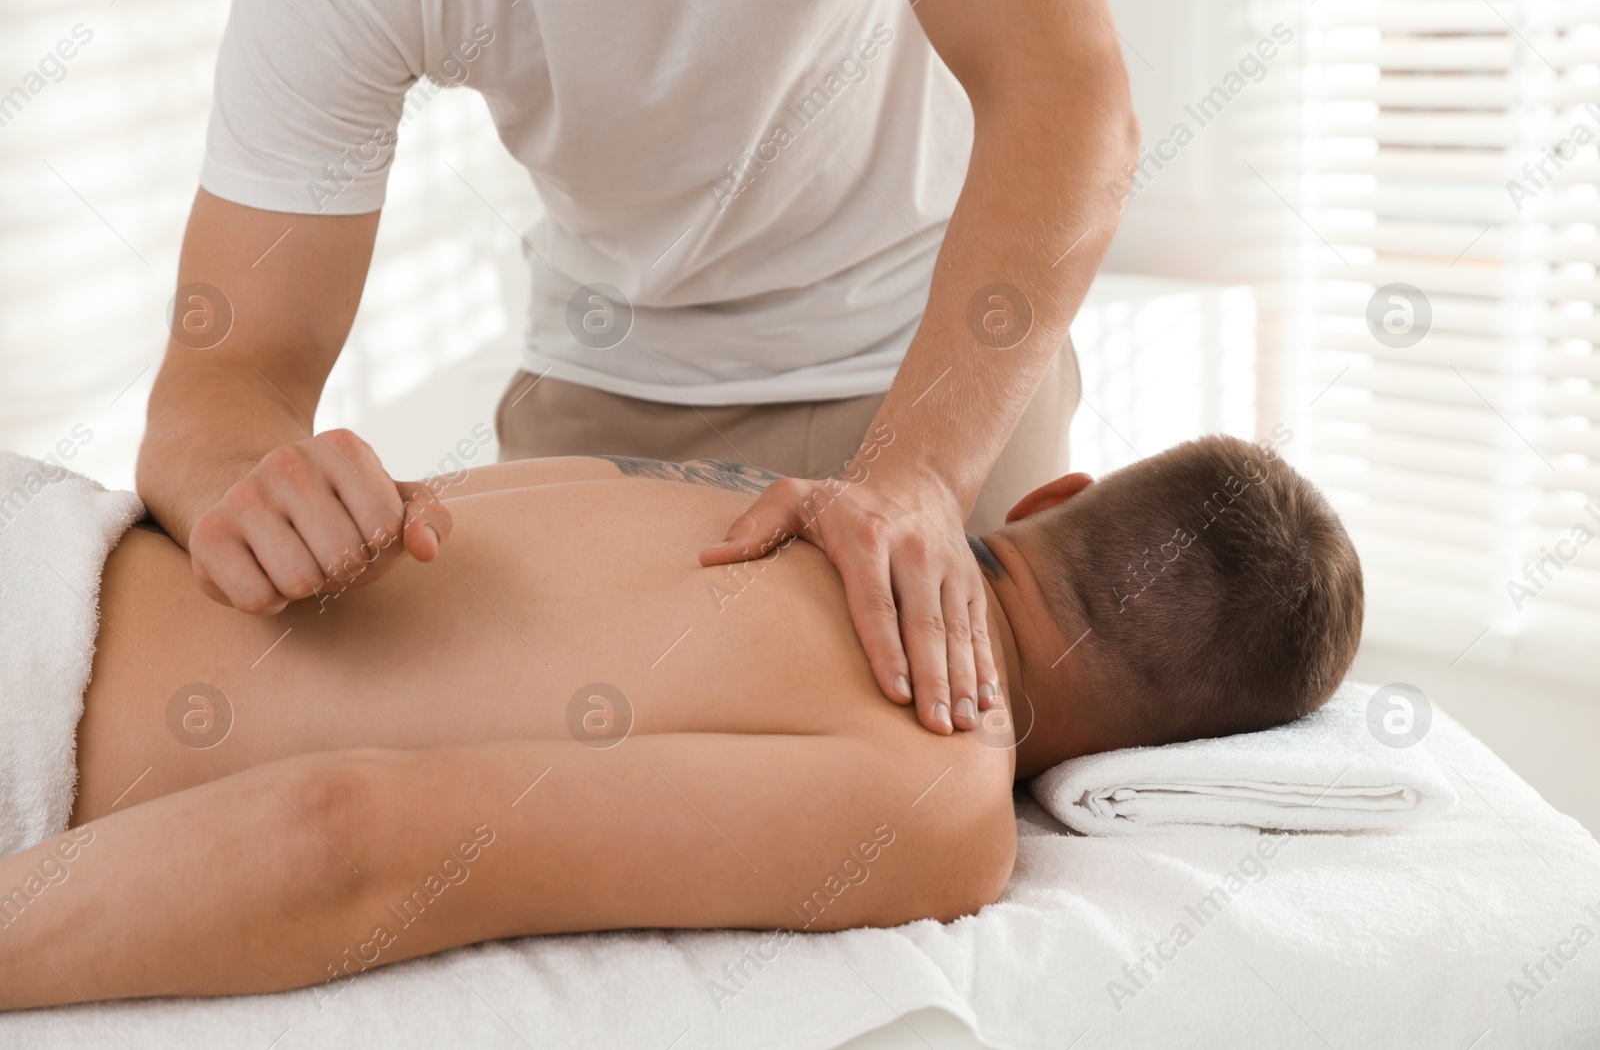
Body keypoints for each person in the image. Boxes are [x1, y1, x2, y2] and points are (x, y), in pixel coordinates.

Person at [0, 435, 1362, 1009]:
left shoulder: (787, 502)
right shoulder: (941, 796)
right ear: (1147, 769)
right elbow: (354, 832)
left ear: (1054, 489)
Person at [134, 0, 1142, 737]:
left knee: (977, 772)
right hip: (614, 394)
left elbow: (1067, 92)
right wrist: (247, 487)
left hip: (936, 370)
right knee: (552, 757)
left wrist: (919, 473)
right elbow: (227, 379)